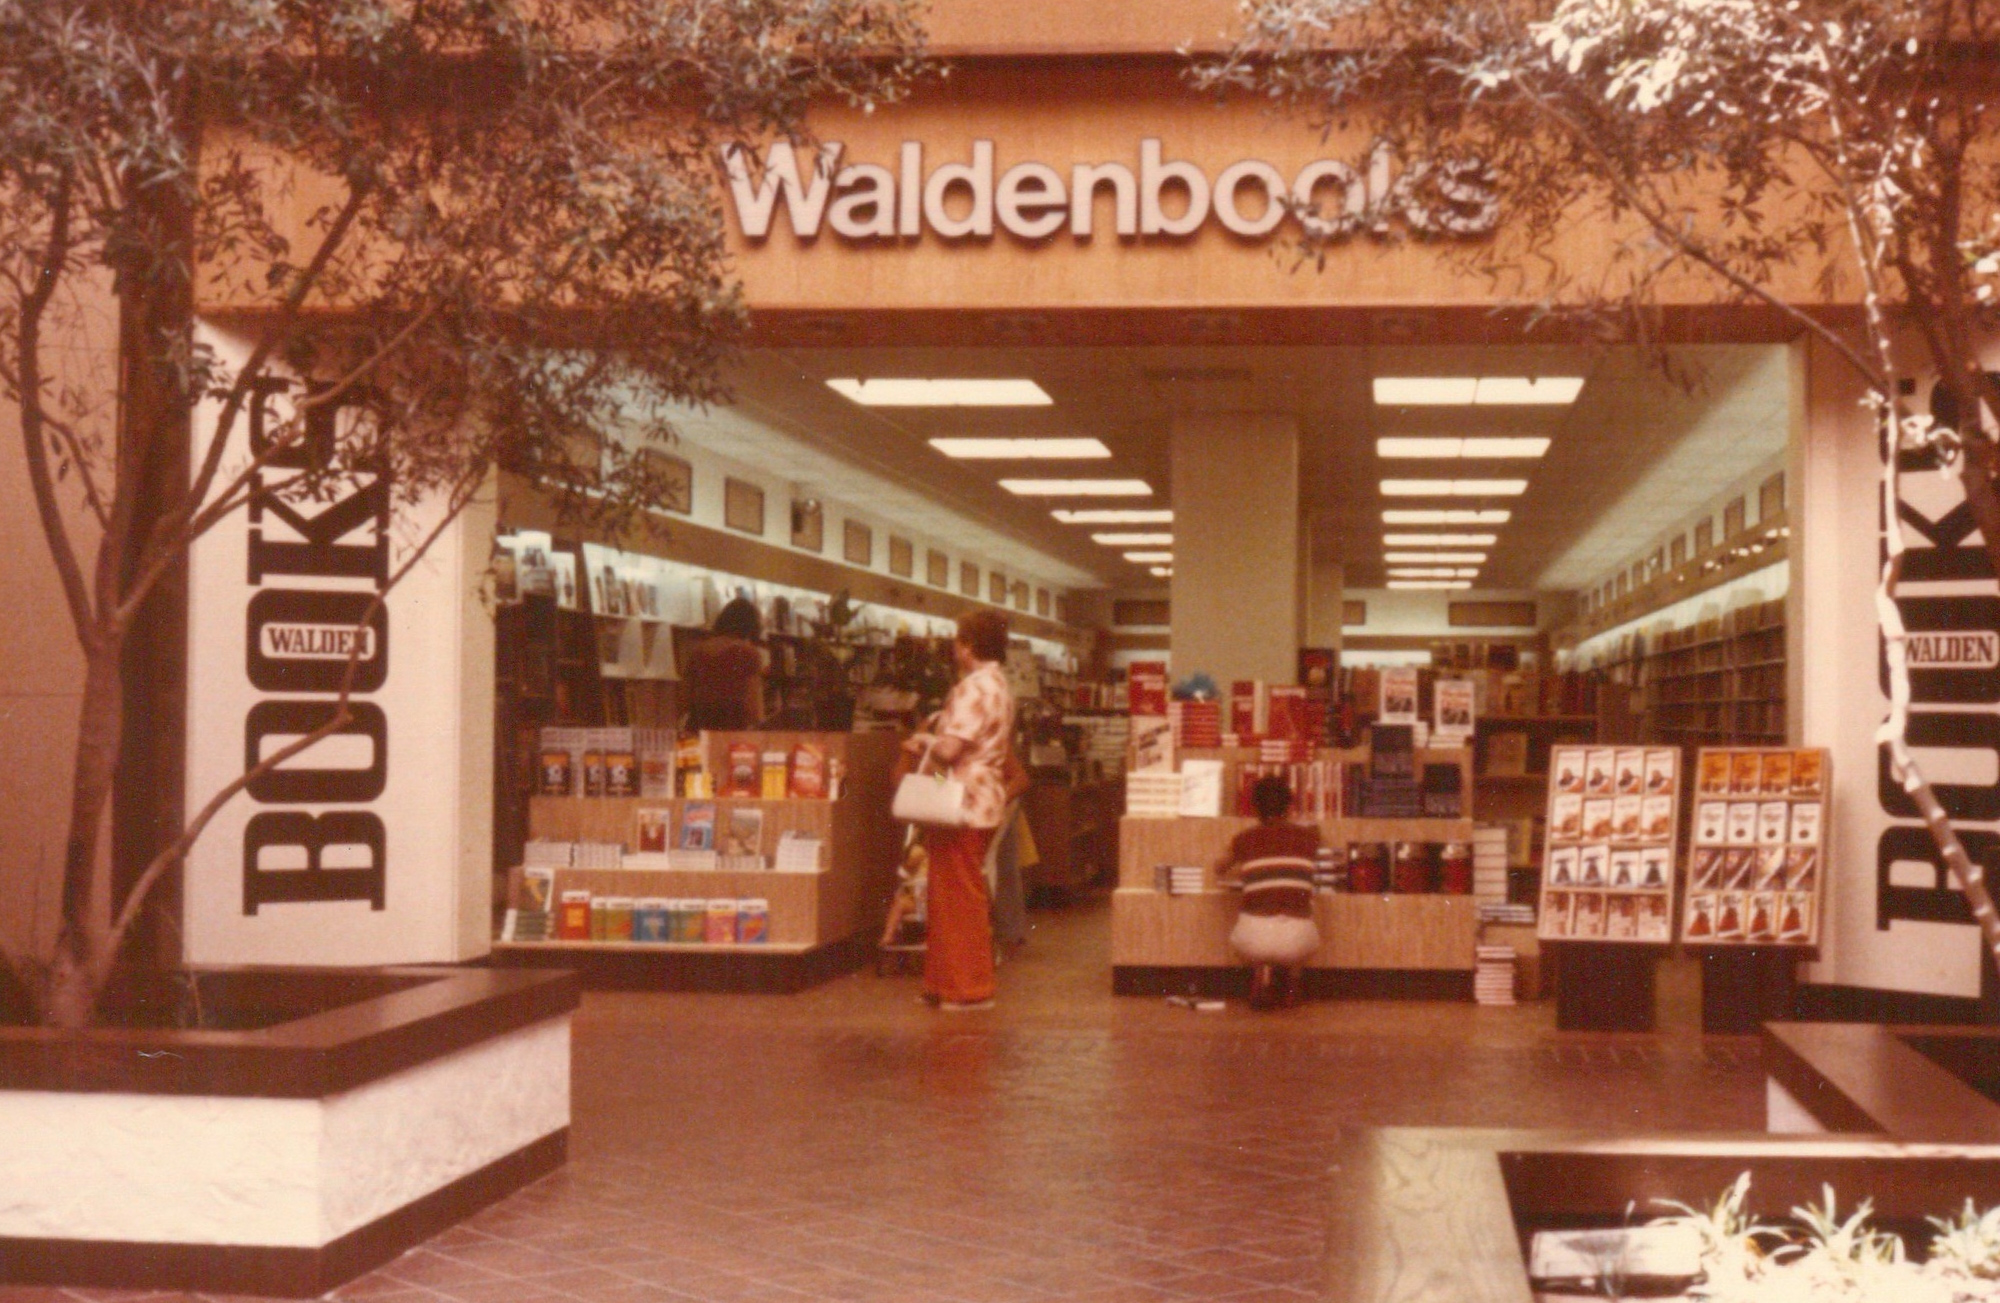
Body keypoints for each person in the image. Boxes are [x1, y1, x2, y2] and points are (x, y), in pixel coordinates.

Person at [901, 610, 1016, 1011]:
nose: (954, 647)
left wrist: (923, 742)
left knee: (957, 897)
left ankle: (968, 988)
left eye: (958, 639)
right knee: (954, 892)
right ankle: (945, 983)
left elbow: (950, 750)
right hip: (982, 796)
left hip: (961, 800)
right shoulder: (1000, 686)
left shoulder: (973, 688)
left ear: (968, 645)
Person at [1216, 776, 1322, 1010]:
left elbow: (1219, 867)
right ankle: (1294, 981)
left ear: (1254, 808)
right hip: (1299, 941)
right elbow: (1312, 842)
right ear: (1290, 806)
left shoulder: (1243, 839)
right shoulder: (1310, 838)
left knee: (1255, 908)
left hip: (1253, 941)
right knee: (1305, 906)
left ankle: (1261, 972)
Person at [684, 596, 764, 731]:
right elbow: (753, 705)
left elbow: (685, 697)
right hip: (732, 726)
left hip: (699, 725)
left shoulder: (698, 651)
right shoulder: (748, 653)